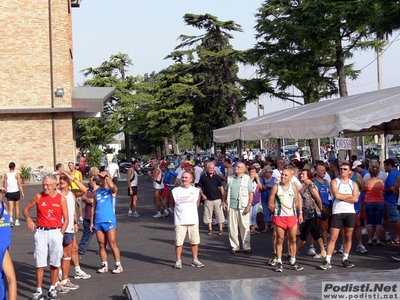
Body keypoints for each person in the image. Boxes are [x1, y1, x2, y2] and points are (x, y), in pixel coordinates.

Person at [23, 174, 69, 300]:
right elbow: (25, 209)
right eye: (44, 184)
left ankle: (52, 288)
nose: (45, 187)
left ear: (55, 185)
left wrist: (61, 234)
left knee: (55, 262)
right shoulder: (39, 196)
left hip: (56, 232)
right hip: (41, 232)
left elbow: (66, 219)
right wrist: (28, 219)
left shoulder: (61, 199)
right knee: (40, 262)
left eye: (48, 185)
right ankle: (38, 291)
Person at [319, 162, 359, 270]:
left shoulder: (353, 184)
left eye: (345, 169)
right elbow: (336, 195)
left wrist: (343, 196)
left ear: (350, 171)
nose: (342, 170)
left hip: (350, 212)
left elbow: (355, 199)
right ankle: (327, 260)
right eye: (341, 169)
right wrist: (349, 196)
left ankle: (345, 258)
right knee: (333, 237)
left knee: (348, 236)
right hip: (338, 211)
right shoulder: (334, 182)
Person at [57, 172, 90, 292]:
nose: (62, 181)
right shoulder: (56, 193)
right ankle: (59, 277)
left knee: (69, 252)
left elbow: (84, 189)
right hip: (58, 228)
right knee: (59, 253)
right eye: (61, 179)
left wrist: (75, 223)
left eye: (64, 179)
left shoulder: (72, 194)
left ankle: (66, 276)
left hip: (69, 228)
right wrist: (58, 181)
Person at [268, 167, 303, 272]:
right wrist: (276, 212)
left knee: (293, 239)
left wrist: (294, 211)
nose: (283, 176)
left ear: (290, 177)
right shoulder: (276, 187)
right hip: (280, 217)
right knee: (280, 239)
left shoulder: (294, 187)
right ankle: (279, 261)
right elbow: (270, 203)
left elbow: (297, 202)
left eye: (285, 175)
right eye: (282, 174)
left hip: (291, 217)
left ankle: (293, 260)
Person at [91, 171, 123, 274]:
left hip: (109, 221)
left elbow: (113, 186)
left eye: (101, 178)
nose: (100, 180)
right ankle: (104, 264)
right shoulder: (97, 192)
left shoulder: (112, 190)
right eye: (99, 178)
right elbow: (94, 207)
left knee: (112, 243)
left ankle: (118, 265)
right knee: (101, 244)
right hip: (98, 222)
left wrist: (106, 176)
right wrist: (92, 222)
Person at [172, 171, 204, 269]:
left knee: (194, 241)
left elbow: (197, 203)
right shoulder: (175, 191)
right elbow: (174, 204)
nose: (184, 179)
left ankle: (195, 259)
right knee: (179, 242)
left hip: (193, 220)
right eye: (183, 177)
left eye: (186, 178)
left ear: (191, 179)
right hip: (180, 220)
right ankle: (178, 260)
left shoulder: (196, 190)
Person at [224, 162, 254, 254]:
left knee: (244, 227)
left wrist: (249, 205)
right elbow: (225, 191)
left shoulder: (247, 178)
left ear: (243, 169)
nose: (236, 168)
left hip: (243, 206)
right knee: (232, 227)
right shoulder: (230, 178)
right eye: (236, 166)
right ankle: (234, 246)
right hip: (232, 206)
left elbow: (251, 193)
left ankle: (246, 246)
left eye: (238, 167)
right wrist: (223, 201)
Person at [296, 169, 325, 258]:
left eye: (304, 174)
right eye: (301, 174)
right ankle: (323, 250)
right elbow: (301, 192)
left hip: (312, 211)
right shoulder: (305, 185)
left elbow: (318, 199)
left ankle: (295, 252)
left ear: (308, 175)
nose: (301, 175)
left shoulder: (311, 185)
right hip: (307, 212)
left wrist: (321, 209)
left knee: (305, 232)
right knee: (315, 231)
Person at [198, 162, 225, 236]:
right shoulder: (203, 177)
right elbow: (199, 187)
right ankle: (210, 229)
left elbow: (221, 188)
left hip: (217, 199)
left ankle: (221, 229)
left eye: (212, 168)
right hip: (208, 199)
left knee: (219, 214)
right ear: (207, 168)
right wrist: (202, 195)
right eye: (210, 168)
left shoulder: (217, 177)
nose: (211, 170)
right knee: (208, 214)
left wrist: (223, 199)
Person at [78, 167, 100, 255]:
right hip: (88, 213)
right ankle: (82, 248)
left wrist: (86, 199)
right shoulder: (89, 188)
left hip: (96, 214)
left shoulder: (99, 189)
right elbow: (82, 197)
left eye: (90, 177)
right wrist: (86, 199)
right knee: (87, 230)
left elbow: (92, 201)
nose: (89, 179)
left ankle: (102, 247)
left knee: (98, 232)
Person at [364, 166, 385, 245]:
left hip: (369, 201)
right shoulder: (381, 181)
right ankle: (378, 240)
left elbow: (364, 190)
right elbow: (382, 190)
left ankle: (370, 239)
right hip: (379, 201)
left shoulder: (367, 181)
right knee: (378, 222)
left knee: (369, 222)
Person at [383, 159, 400, 244]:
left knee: (396, 219)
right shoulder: (397, 172)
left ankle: (397, 237)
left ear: (389, 165)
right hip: (395, 199)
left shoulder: (391, 175)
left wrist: (384, 190)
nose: (384, 168)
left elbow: (392, 188)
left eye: (385, 166)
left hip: (392, 200)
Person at [3, 162, 24, 227]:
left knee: (10, 208)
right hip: (16, 192)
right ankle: (17, 221)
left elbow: (5, 184)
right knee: (17, 207)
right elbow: (19, 184)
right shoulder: (17, 174)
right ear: (14, 167)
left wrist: (4, 191)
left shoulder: (6, 174)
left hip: (9, 192)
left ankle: (11, 219)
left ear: (9, 167)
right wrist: (22, 192)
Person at [260, 166, 276, 232]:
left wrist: (271, 186)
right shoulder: (262, 180)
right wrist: (264, 187)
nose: (268, 174)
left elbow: (277, 186)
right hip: (264, 197)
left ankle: (274, 225)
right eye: (266, 172)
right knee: (265, 212)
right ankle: (266, 227)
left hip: (273, 198)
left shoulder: (274, 179)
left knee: (273, 211)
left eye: (269, 172)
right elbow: (261, 187)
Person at [248, 165, 262, 234]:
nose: (253, 173)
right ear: (249, 172)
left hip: (256, 199)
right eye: (252, 171)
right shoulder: (247, 179)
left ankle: (253, 228)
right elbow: (247, 186)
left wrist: (257, 178)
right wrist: (252, 178)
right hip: (249, 199)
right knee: (249, 215)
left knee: (254, 215)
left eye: (254, 171)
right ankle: (250, 228)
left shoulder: (257, 180)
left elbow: (261, 187)